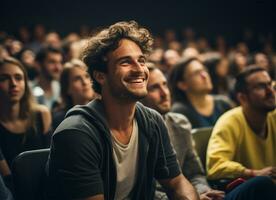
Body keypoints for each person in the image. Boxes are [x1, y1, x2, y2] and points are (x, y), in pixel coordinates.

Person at [45, 21, 199, 200]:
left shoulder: (152, 121)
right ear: (100, 75)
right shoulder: (76, 133)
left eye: (141, 61)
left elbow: (177, 183)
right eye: (126, 62)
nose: (139, 69)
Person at [142, 64, 276, 200]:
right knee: (262, 183)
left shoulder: (180, 123)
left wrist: (203, 192)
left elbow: (195, 173)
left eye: (165, 85)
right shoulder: (137, 131)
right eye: (154, 88)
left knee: (262, 185)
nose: (164, 93)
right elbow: (143, 190)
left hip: (196, 195)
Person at [206, 66, 276, 183]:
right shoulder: (229, 122)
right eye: (261, 86)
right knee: (262, 182)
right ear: (242, 98)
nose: (270, 91)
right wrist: (253, 173)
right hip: (251, 190)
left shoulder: (273, 116)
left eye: (270, 84)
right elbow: (215, 166)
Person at [0, 57, 51, 191]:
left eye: (18, 77)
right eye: (4, 78)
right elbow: (8, 178)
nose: (13, 84)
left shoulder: (42, 114)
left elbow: (52, 161)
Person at [169, 57, 234, 128]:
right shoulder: (179, 112)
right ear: (182, 85)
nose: (204, 76)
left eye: (204, 70)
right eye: (197, 73)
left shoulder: (223, 103)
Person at [52, 59, 97, 130]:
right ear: (67, 88)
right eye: (77, 79)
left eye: (87, 76)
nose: (85, 82)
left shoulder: (103, 111)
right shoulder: (60, 119)